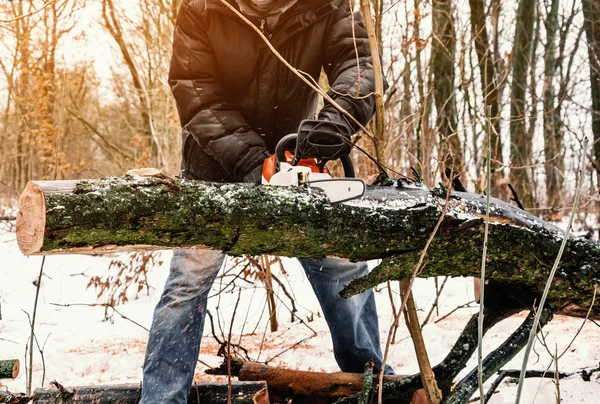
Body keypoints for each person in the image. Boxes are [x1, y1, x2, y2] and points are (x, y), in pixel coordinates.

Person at [140, 0, 391, 402]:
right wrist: (255, 163)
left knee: (343, 268)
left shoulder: (327, 5)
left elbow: (359, 68)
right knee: (187, 283)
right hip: (215, 167)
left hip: (298, 159)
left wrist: (333, 124)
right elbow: (196, 93)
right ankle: (161, 397)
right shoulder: (202, 9)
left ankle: (374, 385)